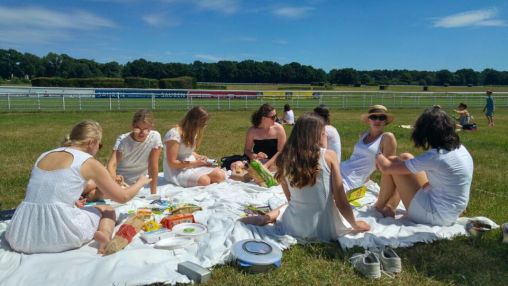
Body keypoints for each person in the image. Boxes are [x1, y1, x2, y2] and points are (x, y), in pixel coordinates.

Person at [5, 120, 151, 254]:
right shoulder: (88, 161)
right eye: (99, 145)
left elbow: (48, 187)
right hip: (60, 234)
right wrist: (141, 182)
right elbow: (123, 197)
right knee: (107, 209)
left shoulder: (44, 155)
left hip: (21, 233)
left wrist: (72, 200)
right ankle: (104, 236)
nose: (98, 150)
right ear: (91, 142)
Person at [240, 114, 370, 241]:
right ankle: (266, 218)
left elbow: (290, 199)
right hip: (325, 229)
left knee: (287, 205)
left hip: (295, 227)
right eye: (324, 133)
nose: (325, 136)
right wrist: (355, 224)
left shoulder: (284, 159)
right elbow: (341, 200)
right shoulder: (330, 156)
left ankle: (266, 218)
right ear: (316, 135)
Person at [375, 106, 474, 226]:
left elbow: (387, 168)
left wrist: (377, 151)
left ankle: (380, 207)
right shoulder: (460, 149)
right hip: (451, 212)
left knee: (392, 164)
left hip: (435, 216)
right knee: (405, 157)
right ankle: (390, 207)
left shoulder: (436, 156)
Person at [338, 105, 397, 214]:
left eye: (382, 118)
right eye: (374, 117)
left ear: (385, 121)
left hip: (351, 181)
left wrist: (386, 199)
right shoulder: (363, 135)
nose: (377, 120)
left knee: (329, 195)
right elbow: (358, 160)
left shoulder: (387, 137)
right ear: (368, 120)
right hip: (340, 168)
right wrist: (366, 182)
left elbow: (388, 171)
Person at [163, 106, 225, 187]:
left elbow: (188, 152)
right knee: (205, 181)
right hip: (177, 170)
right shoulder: (174, 134)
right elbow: (172, 163)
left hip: (191, 164)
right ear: (195, 122)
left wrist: (201, 157)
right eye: (203, 125)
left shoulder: (192, 132)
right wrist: (196, 163)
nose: (204, 127)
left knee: (220, 175)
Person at [106, 109, 162, 194]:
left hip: (139, 181)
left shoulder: (155, 137)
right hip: (121, 179)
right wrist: (115, 180)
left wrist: (153, 193)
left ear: (151, 127)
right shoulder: (123, 140)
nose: (141, 133)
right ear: (132, 126)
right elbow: (112, 165)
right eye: (137, 128)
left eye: (146, 129)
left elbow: (153, 166)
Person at [244, 103, 286, 171]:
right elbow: (247, 150)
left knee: (273, 168)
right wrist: (255, 156)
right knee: (236, 165)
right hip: (258, 162)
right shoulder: (252, 131)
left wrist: (266, 165)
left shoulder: (279, 129)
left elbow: (280, 152)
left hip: (275, 162)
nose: (276, 118)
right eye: (273, 117)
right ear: (263, 118)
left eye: (276, 116)